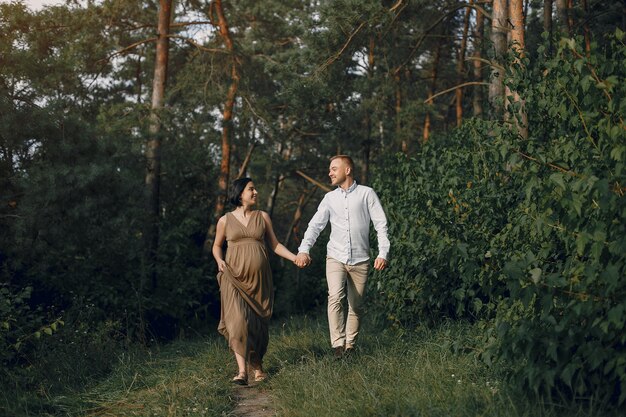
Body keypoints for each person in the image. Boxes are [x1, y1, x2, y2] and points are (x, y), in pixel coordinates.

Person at [294, 155, 390, 357]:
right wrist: (304, 249)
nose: (330, 172)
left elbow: (380, 224)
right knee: (335, 297)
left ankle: (350, 346)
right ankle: (338, 345)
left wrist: (383, 253)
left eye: (334, 168)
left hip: (361, 259)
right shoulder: (329, 198)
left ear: (347, 170)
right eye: (330, 169)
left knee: (356, 305)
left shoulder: (367, 194)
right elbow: (315, 226)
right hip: (335, 257)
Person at [212, 177, 297, 385]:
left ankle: (257, 365)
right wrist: (219, 260)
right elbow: (216, 245)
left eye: (255, 188)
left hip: (259, 281)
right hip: (233, 278)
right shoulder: (225, 220)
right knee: (237, 322)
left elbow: (275, 245)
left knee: (257, 326)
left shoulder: (263, 217)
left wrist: (294, 257)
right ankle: (242, 372)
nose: (256, 192)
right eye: (252, 189)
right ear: (240, 193)